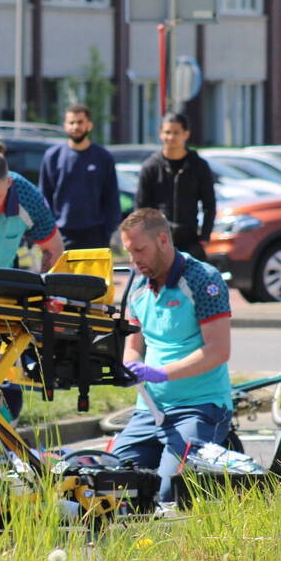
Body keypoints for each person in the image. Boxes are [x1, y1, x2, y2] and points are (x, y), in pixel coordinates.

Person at [111, 208, 233, 503]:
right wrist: (131, 363)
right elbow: (133, 342)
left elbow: (218, 351)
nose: (134, 259)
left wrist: (162, 373)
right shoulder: (138, 282)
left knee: (169, 493)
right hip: (149, 410)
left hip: (199, 407)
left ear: (163, 240)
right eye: (129, 251)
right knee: (112, 480)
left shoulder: (203, 280)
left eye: (140, 250)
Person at [136, 113, 216, 261]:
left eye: (176, 132)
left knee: (193, 282)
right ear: (160, 134)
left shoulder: (198, 166)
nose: (171, 137)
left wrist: (204, 237)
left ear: (186, 134)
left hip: (190, 242)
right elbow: (141, 209)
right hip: (158, 242)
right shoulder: (151, 167)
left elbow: (209, 205)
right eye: (167, 132)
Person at [39, 104, 120, 249]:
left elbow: (112, 198)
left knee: (93, 273)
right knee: (60, 273)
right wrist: (49, 230)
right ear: (65, 126)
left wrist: (108, 231)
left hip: (95, 234)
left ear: (89, 125)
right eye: (71, 122)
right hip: (60, 233)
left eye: (80, 122)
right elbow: (44, 197)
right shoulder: (52, 156)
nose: (75, 127)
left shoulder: (103, 157)